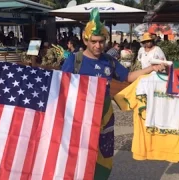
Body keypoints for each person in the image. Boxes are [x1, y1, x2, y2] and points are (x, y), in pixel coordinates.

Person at [61, 8, 166, 180]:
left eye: (101, 41)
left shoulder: (109, 61)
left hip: (105, 114)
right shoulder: (75, 59)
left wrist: (151, 68)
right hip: (80, 116)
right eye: (94, 41)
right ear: (85, 39)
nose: (98, 46)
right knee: (79, 152)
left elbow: (129, 77)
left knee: (103, 152)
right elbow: (61, 85)